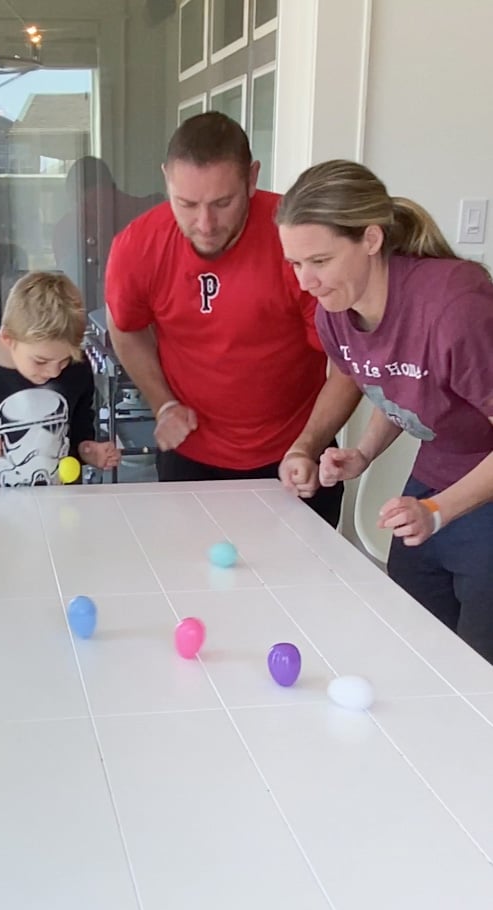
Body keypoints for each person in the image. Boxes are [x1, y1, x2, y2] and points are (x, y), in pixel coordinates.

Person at [276, 159, 493, 663]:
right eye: (294, 264)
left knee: (476, 666)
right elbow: (393, 377)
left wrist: (439, 511)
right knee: (410, 636)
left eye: (320, 261)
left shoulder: (456, 307)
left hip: (478, 490)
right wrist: (360, 454)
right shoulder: (337, 309)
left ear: (371, 239)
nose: (306, 281)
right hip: (435, 476)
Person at [104, 112, 355, 526]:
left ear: (252, 179)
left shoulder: (298, 242)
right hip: (191, 458)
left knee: (301, 586)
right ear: (167, 178)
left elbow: (349, 362)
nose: (204, 224)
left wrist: (307, 445)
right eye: (186, 203)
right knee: (189, 585)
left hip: (294, 456)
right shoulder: (137, 246)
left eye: (223, 203)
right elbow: (125, 326)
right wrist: (162, 403)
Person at [0, 271, 121, 487]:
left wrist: (86, 450)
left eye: (63, 361)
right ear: (8, 338)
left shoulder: (77, 367)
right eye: (40, 361)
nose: (54, 372)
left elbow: (78, 423)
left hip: (60, 506)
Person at [53, 155, 163, 312]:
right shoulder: (67, 229)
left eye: (89, 203)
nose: (86, 212)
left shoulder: (153, 216)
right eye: (78, 204)